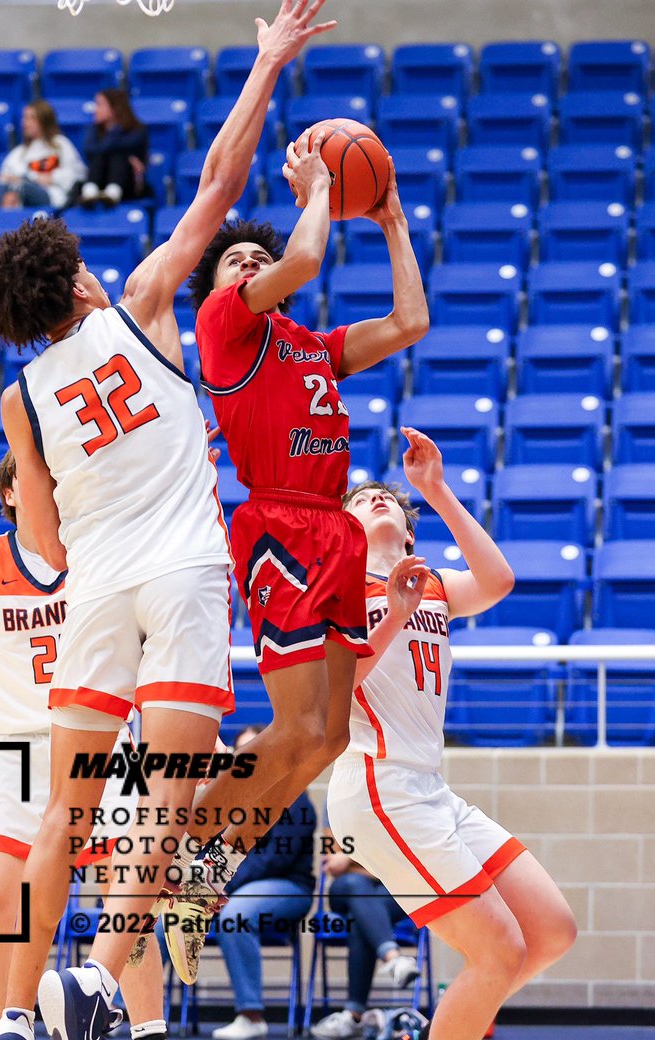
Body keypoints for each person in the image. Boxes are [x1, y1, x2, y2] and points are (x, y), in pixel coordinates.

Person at [0, 0, 335, 1040]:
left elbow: (36, 540)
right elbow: (221, 183)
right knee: (169, 799)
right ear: (77, 288)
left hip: (93, 591)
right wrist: (267, 61)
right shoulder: (136, 305)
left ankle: (10, 1022)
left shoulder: (19, 396)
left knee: (63, 815)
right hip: (179, 574)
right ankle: (96, 976)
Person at [160, 141, 428, 982]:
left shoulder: (311, 343)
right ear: (221, 287)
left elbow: (411, 324)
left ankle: (202, 875)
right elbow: (306, 254)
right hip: (278, 523)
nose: (250, 262)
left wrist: (391, 225)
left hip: (335, 531)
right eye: (236, 259)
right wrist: (316, 186)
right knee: (291, 726)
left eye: (257, 255)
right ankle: (186, 864)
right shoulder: (223, 327)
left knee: (325, 739)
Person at [329, 429, 577, 1040]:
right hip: (376, 787)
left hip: (428, 788)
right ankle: (461, 1011)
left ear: (410, 534)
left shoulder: (430, 582)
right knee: (499, 951)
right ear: (344, 531)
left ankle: (453, 1016)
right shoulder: (333, 594)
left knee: (551, 931)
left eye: (386, 498)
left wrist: (435, 490)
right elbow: (339, 688)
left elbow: (497, 581)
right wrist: (395, 613)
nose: (377, 498)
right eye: (361, 500)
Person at [0, 450, 165, 1036]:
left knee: (126, 907)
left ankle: (147, 1029)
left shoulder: (101, 553)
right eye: (32, 477)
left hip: (103, 737)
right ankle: (6, 1028)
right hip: (15, 746)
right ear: (11, 494)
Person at [212, 726, 316, 1040]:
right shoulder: (227, 798)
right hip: (234, 886)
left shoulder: (293, 797)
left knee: (235, 916)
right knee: (169, 916)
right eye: (242, 753)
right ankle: (129, 1012)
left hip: (286, 887)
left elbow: (274, 860)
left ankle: (251, 1015)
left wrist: (222, 883)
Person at [309, 849, 417, 1040]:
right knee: (356, 886)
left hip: (392, 891)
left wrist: (351, 858)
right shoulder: (334, 818)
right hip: (347, 887)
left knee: (359, 916)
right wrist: (376, 866)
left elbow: (404, 866)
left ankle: (353, 1017)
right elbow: (334, 864)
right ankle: (393, 957)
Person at [0, 100, 85, 210]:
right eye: (24, 118)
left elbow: (77, 175)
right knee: (2, 184)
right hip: (19, 198)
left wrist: (51, 178)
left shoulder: (60, 144)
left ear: (44, 121)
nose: (24, 123)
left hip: (52, 197)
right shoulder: (19, 152)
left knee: (21, 186)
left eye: (31, 118)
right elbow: (4, 177)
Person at [81, 89, 150, 206]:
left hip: (128, 186)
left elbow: (120, 145)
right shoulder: (94, 129)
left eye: (100, 105)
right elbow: (89, 149)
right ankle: (90, 192)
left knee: (119, 156)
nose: (95, 109)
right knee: (100, 156)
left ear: (115, 108)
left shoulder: (137, 130)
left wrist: (114, 131)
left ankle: (113, 192)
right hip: (100, 179)